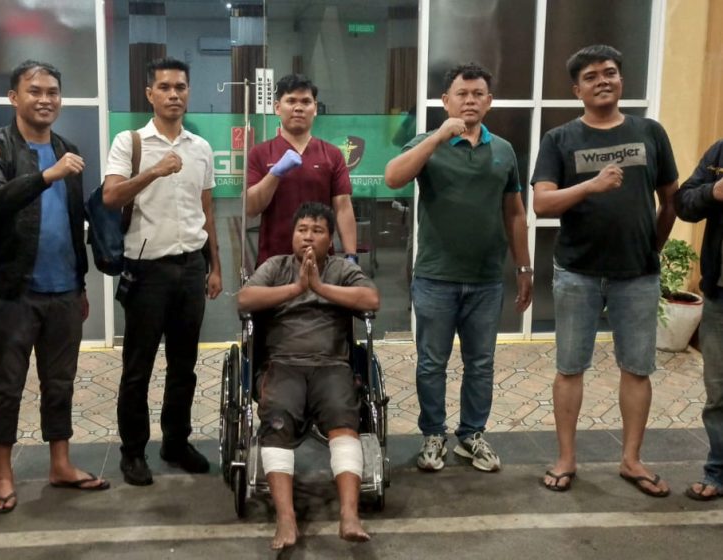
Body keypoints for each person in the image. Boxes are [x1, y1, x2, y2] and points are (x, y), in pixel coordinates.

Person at [531, 45, 678, 495]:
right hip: (577, 272)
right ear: (577, 90)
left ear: (621, 80)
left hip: (638, 274)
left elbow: (670, 200)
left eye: (609, 72)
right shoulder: (560, 139)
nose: (602, 81)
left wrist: (652, 248)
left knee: (637, 368)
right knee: (570, 367)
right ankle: (566, 458)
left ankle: (631, 460)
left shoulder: (650, 132)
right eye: (591, 76)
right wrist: (591, 186)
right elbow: (541, 203)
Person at [0, 60, 109, 515]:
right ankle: (2, 474)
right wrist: (47, 176)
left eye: (52, 91)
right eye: (34, 91)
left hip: (64, 289)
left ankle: (60, 464)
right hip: (12, 291)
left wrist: (81, 283)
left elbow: (73, 223)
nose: (45, 99)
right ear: (14, 97)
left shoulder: (68, 149)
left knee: (60, 383)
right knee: (7, 385)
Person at [384, 63, 532, 473]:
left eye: (478, 93)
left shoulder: (503, 150)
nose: (470, 100)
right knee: (432, 363)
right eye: (462, 94)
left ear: (489, 101)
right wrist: (437, 137)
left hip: (486, 280)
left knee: (480, 364)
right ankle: (433, 434)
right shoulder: (426, 143)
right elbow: (393, 177)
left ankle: (471, 436)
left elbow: (515, 212)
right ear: (445, 101)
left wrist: (524, 268)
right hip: (436, 277)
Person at [103, 57, 222, 485]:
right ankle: (133, 452)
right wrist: (154, 170)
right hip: (146, 270)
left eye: (181, 87)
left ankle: (176, 442)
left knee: (183, 365)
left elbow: (206, 210)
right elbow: (111, 197)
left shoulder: (200, 147)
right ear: (149, 93)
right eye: (165, 87)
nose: (174, 94)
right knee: (138, 367)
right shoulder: (130, 142)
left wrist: (215, 266)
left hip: (191, 267)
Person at [237, 202, 379, 549]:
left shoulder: (341, 269)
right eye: (302, 230)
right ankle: (286, 520)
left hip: (332, 365)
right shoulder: (276, 266)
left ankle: (349, 515)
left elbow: (371, 299)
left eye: (317, 231)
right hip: (282, 364)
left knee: (343, 419)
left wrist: (319, 286)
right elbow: (245, 299)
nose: (308, 237)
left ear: (330, 239)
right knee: (278, 421)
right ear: (292, 235)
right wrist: (298, 288)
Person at [245, 73, 358, 267]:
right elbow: (251, 208)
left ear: (315, 108)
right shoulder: (260, 153)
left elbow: (343, 207)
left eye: (306, 102)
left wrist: (351, 255)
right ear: (277, 107)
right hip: (273, 262)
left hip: (321, 262)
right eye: (291, 101)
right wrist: (275, 173)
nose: (298, 108)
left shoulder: (332, 154)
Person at [673, 140, 723, 501]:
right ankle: (717, 471)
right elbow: (684, 203)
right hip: (720, 295)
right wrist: (714, 191)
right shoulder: (719, 153)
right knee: (718, 393)